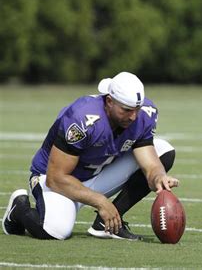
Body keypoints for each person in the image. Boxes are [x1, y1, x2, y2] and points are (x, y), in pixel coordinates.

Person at [2, 71, 179, 241]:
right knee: (55, 230)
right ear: (109, 101)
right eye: (126, 110)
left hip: (96, 173)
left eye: (137, 109)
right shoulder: (81, 118)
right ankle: (19, 208)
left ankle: (107, 224)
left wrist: (158, 177)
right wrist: (101, 201)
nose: (133, 116)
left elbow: (149, 161)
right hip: (58, 180)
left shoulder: (144, 114)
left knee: (163, 150)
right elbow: (56, 178)